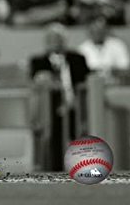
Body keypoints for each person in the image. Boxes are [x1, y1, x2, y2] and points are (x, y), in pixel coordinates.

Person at [29, 23, 91, 171]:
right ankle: (53, 170)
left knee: (80, 139)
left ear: (65, 40)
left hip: (76, 108)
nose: (55, 42)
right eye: (51, 38)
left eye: (59, 38)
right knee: (53, 142)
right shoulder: (38, 62)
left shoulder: (78, 59)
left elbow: (86, 81)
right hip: (50, 111)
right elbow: (35, 84)